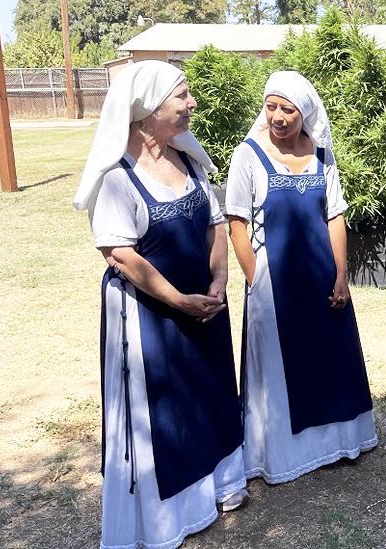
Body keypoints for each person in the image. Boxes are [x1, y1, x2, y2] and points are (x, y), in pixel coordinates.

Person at [73, 60, 247, 549]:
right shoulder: (117, 179)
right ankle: (170, 512)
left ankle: (218, 482)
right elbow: (121, 256)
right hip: (151, 315)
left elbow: (215, 222)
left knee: (209, 391)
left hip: (205, 305)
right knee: (165, 408)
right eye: (182, 96)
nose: (192, 104)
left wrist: (218, 279)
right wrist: (179, 301)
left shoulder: (188, 160)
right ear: (148, 111)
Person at [225, 71, 377, 484]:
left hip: (321, 273)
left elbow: (335, 214)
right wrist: (255, 276)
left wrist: (341, 274)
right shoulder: (248, 155)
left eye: (287, 109)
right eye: (271, 106)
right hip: (275, 280)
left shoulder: (321, 154)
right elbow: (236, 220)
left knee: (330, 358)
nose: (277, 116)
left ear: (305, 113)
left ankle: (335, 443)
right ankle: (286, 455)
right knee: (281, 366)